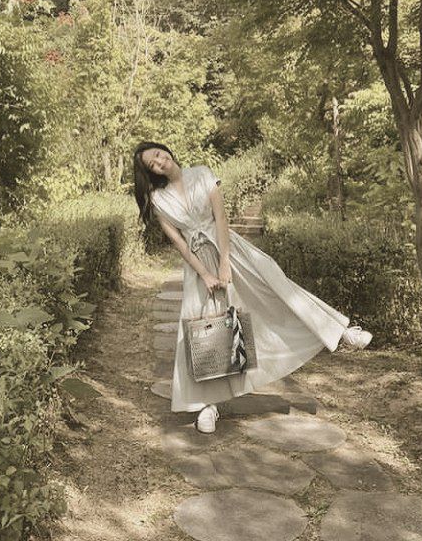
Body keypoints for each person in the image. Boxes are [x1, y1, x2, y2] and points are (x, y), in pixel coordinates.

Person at [133, 141, 372, 434]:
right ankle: (208, 405)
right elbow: (180, 243)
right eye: (151, 164)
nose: (159, 162)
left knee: (276, 290)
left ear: (166, 150)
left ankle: (338, 331)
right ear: (150, 173)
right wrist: (206, 274)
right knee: (204, 330)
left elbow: (220, 217)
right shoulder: (159, 199)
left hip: (231, 252)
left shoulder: (202, 173)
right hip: (199, 267)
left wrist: (223, 262)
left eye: (158, 154)